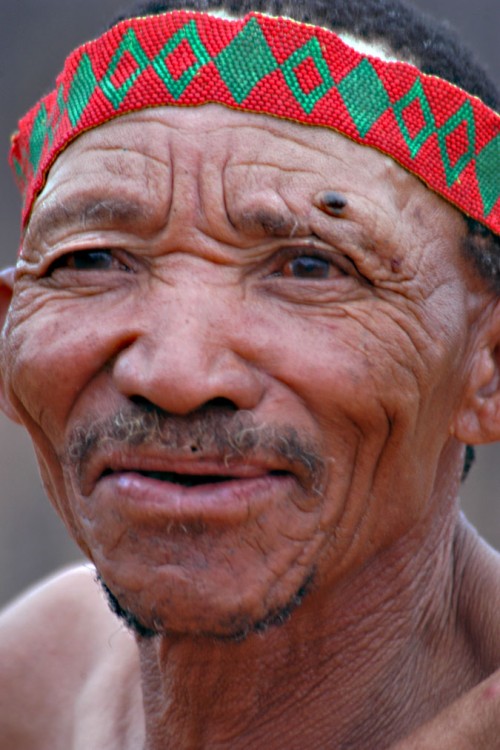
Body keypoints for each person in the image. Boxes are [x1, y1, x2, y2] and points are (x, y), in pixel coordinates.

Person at [0, 0, 499, 747]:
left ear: (486, 366)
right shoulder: (38, 684)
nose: (175, 374)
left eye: (309, 268)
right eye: (92, 260)